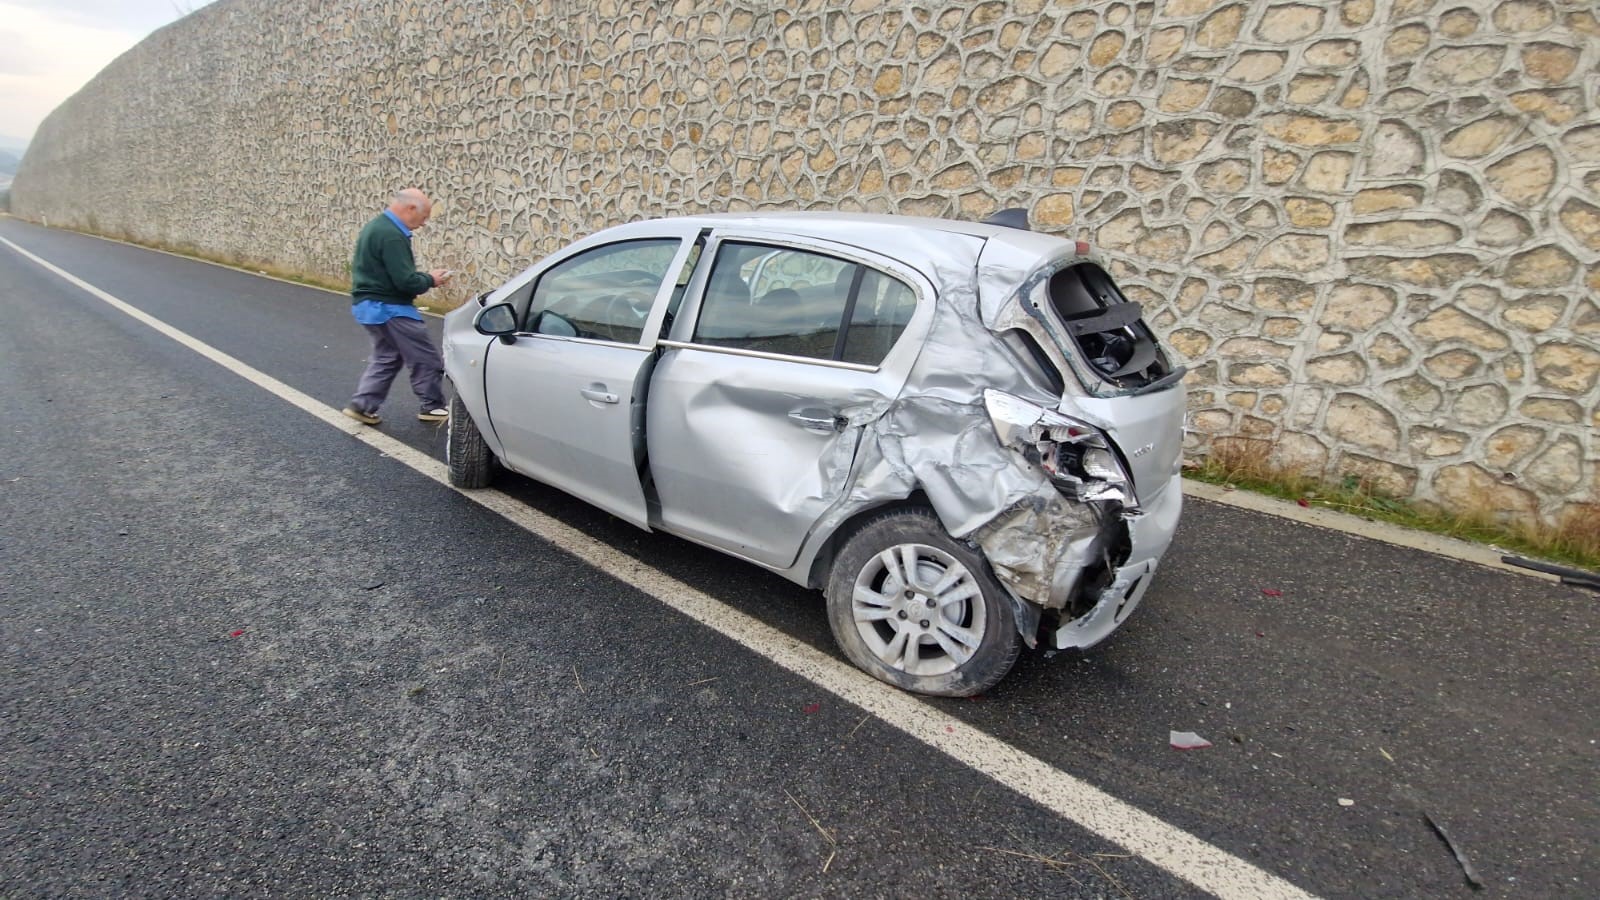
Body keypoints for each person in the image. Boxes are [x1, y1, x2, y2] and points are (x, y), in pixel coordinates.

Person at [342, 188, 454, 426]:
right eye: (423, 218)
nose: (422, 224)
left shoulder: (376, 227)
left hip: (368, 307)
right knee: (425, 358)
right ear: (410, 208)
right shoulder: (392, 234)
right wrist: (431, 279)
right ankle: (432, 406)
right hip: (391, 308)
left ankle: (362, 405)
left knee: (387, 357)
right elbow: (405, 282)